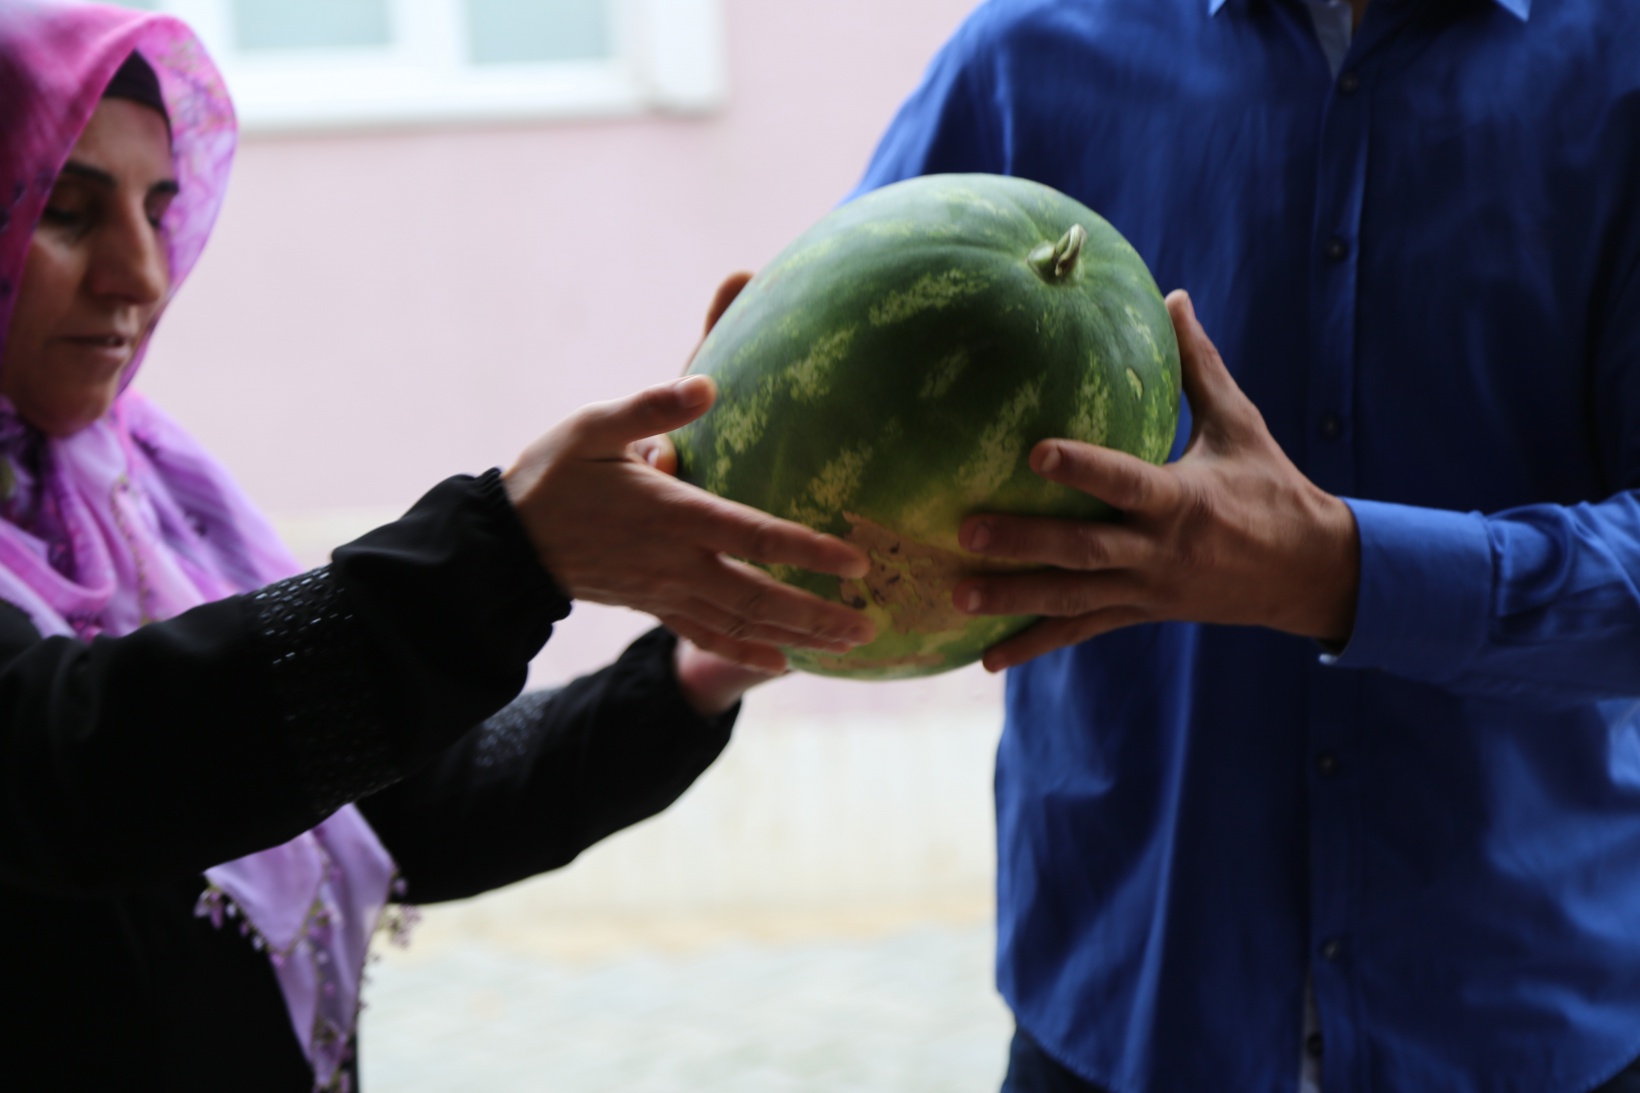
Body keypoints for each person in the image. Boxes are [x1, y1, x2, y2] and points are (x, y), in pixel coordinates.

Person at [0, 3, 874, 1090]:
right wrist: (504, 552)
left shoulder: (151, 500)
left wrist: (690, 673)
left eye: (161, 206)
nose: (141, 270)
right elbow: (77, 763)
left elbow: (393, 802)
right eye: (67, 210)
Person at [847, 0, 1640, 1090]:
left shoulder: (1619, 64)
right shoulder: (1023, 57)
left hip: (1530, 1019)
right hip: (1118, 1012)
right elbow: (841, 404)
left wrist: (1338, 570)